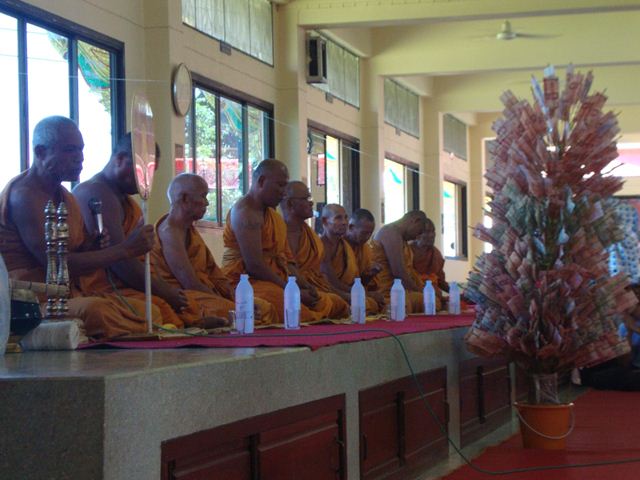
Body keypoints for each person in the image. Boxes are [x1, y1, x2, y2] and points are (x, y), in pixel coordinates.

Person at [0, 116, 165, 338]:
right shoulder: (24, 196)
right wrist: (125, 250)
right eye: (70, 150)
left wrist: (91, 246)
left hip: (68, 294)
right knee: (96, 311)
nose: (80, 158)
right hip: (30, 300)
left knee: (149, 310)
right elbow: (55, 266)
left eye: (81, 149)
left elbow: (72, 256)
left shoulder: (65, 197)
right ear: (40, 152)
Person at [73, 133, 188, 327]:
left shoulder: (126, 202)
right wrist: (165, 292)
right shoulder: (97, 192)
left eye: (151, 173)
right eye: (142, 171)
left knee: (187, 304)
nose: (147, 180)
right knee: (157, 311)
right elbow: (121, 262)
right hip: (104, 289)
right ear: (119, 159)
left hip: (130, 286)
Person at [150, 173, 277, 328]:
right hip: (184, 297)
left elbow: (213, 273)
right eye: (203, 196)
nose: (207, 203)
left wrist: (234, 297)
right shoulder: (170, 232)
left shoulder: (189, 230)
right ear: (184, 198)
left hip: (205, 294)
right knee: (241, 314)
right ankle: (200, 321)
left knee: (263, 308)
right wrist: (228, 303)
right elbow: (190, 283)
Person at [222, 159, 340, 323]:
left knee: (336, 303)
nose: (284, 193)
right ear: (261, 181)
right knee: (295, 310)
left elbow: (286, 261)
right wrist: (292, 291)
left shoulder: (274, 218)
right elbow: (254, 266)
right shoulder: (245, 212)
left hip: (276, 281)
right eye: (280, 185)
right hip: (246, 282)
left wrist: (304, 285)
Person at [280, 182, 349, 319]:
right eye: (306, 199)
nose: (311, 203)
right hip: (287, 288)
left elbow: (319, 277)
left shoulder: (310, 236)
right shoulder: (278, 232)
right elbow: (283, 268)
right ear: (290, 204)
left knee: (338, 303)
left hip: (313, 289)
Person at [320, 204, 383, 314]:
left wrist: (369, 275)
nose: (344, 222)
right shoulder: (321, 245)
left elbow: (354, 280)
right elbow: (330, 282)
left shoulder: (345, 246)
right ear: (325, 221)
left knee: (372, 303)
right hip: (331, 291)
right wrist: (361, 294)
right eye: (338, 218)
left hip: (348, 291)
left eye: (345, 217)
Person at [371, 210, 427, 313]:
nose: (416, 237)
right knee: (426, 301)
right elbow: (398, 272)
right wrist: (422, 292)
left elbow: (408, 271)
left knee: (430, 299)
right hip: (386, 293)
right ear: (415, 221)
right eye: (419, 232)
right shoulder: (391, 233)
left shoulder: (401, 238)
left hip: (399, 290)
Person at [410, 218, 446, 310]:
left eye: (433, 231)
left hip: (435, 296)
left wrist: (455, 293)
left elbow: (441, 281)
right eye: (427, 232)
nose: (431, 235)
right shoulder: (408, 252)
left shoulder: (436, 253)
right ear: (417, 234)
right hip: (414, 293)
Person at [345, 208, 381, 290]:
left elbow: (361, 283)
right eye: (364, 233)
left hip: (357, 291)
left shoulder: (365, 249)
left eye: (370, 233)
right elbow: (333, 282)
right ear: (351, 227)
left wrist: (370, 274)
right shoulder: (339, 245)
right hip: (340, 291)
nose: (367, 237)